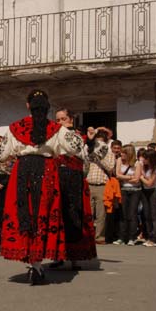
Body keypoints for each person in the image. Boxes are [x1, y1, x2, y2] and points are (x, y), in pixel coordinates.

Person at [0, 89, 84, 285]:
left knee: (23, 213)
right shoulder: (55, 128)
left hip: (22, 172)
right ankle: (36, 264)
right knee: (42, 214)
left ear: (28, 105)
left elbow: (1, 154)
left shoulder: (14, 127)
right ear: (47, 106)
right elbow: (76, 147)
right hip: (46, 172)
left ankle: (34, 264)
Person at [49, 108, 97, 270]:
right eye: (57, 120)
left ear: (70, 120)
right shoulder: (54, 136)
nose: (59, 122)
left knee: (74, 216)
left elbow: (86, 155)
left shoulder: (77, 137)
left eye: (63, 119)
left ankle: (75, 258)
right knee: (57, 216)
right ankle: (57, 255)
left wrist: (89, 141)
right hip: (57, 177)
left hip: (74, 179)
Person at [114, 144, 142, 246]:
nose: (121, 154)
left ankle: (132, 237)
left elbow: (137, 179)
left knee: (132, 214)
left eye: (124, 152)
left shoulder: (137, 163)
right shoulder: (119, 161)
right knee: (123, 213)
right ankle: (122, 237)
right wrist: (130, 177)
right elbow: (117, 175)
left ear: (129, 153)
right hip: (123, 189)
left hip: (135, 190)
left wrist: (124, 177)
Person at [140, 149, 156, 247]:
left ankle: (155, 238)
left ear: (151, 159)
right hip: (145, 191)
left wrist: (141, 178)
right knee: (146, 214)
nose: (144, 160)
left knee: (154, 215)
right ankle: (149, 236)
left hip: (154, 191)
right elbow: (146, 179)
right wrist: (144, 177)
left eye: (146, 158)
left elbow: (150, 182)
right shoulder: (146, 167)